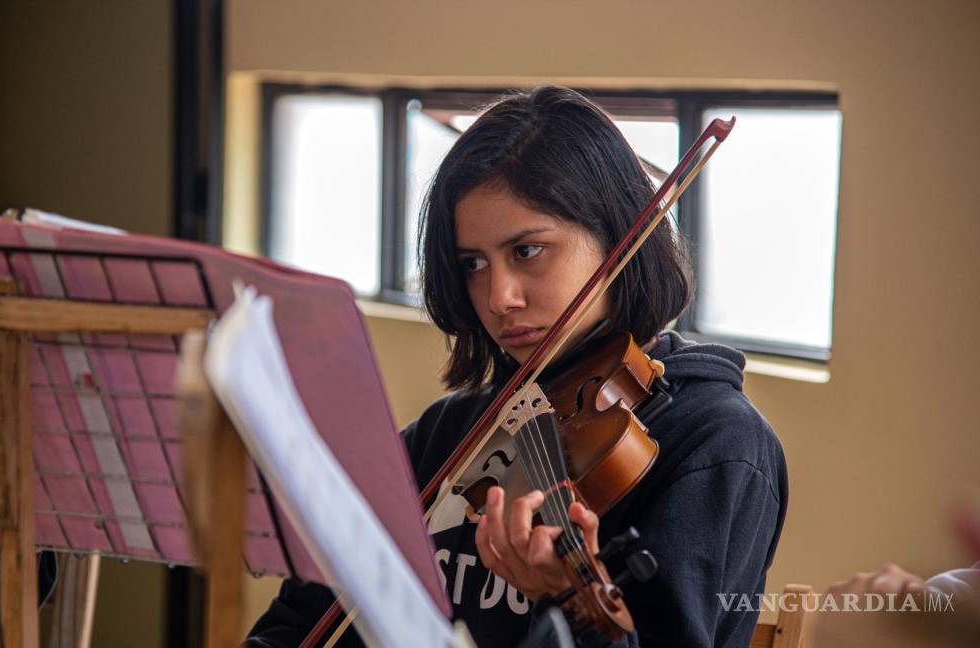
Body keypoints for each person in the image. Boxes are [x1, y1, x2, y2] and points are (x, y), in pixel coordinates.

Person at [246, 86, 788, 647]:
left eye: (527, 251)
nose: (498, 296)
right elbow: (298, 621)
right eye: (474, 263)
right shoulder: (452, 433)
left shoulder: (715, 445)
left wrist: (568, 602)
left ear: (616, 235)